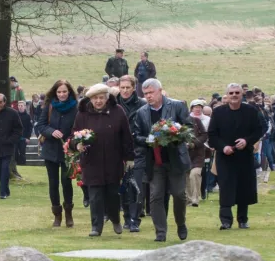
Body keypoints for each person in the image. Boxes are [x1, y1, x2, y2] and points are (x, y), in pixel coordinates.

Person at [132, 78, 194, 242]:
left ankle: (181, 223)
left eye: (151, 92)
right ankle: (160, 232)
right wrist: (149, 140)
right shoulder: (141, 112)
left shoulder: (177, 106)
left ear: (160, 91)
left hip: (175, 159)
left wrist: (175, 135)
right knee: (156, 196)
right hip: (154, 161)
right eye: (145, 94)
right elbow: (137, 136)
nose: (149, 96)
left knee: (179, 194)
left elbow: (189, 127)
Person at [71, 84, 134, 237]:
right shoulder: (82, 114)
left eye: (101, 98)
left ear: (107, 98)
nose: (98, 101)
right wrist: (76, 144)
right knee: (95, 196)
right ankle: (96, 227)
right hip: (91, 161)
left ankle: (115, 219)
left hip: (113, 161)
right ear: (90, 99)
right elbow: (74, 135)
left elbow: (126, 136)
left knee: (112, 195)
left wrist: (130, 157)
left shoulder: (117, 111)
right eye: (95, 98)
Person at [207, 83, 263, 230]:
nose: (234, 95)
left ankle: (243, 219)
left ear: (241, 94)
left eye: (237, 92)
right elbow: (212, 134)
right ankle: (226, 220)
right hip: (225, 157)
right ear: (227, 95)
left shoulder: (250, 111)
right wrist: (223, 147)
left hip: (244, 155)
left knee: (244, 187)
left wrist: (247, 140)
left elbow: (259, 130)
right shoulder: (218, 112)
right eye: (231, 93)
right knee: (225, 187)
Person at [37, 79, 79, 227]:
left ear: (69, 92)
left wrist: (71, 141)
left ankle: (69, 214)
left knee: (66, 182)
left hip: (68, 151)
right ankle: (57, 214)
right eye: (59, 92)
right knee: (53, 183)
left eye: (64, 91)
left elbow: (78, 128)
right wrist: (51, 131)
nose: (62, 94)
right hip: (50, 150)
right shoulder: (49, 106)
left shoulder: (76, 107)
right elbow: (41, 125)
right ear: (55, 92)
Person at [117, 75, 147, 231]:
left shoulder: (142, 105)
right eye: (122, 87)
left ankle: (135, 219)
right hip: (118, 151)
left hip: (138, 150)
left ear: (134, 88)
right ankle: (127, 217)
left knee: (136, 185)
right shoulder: (114, 104)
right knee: (122, 186)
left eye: (128, 87)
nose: (125, 90)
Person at [186, 101, 209, 208]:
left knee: (194, 174)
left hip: (198, 154)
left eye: (199, 107)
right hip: (185, 155)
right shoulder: (180, 122)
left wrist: (194, 143)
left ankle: (195, 199)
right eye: (195, 107)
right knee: (186, 176)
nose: (197, 109)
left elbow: (204, 135)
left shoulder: (197, 121)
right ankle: (188, 199)